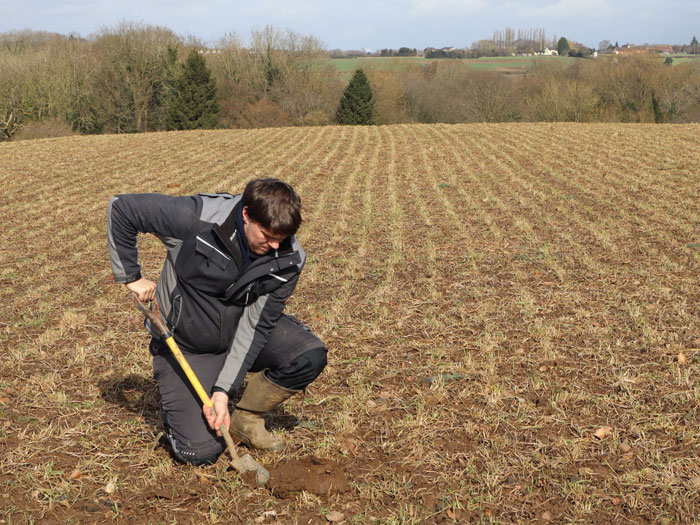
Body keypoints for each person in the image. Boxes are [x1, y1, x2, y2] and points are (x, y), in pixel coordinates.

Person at [107, 178, 327, 465]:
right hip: (186, 343)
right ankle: (180, 411)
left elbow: (255, 326)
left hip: (238, 333)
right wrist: (131, 276)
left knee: (307, 356)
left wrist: (223, 391)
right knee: (199, 452)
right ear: (246, 214)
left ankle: (246, 419)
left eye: (282, 238)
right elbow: (123, 209)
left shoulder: (288, 260)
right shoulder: (198, 218)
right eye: (267, 235)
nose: (275, 245)